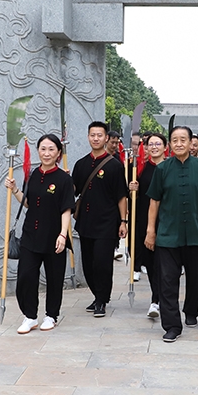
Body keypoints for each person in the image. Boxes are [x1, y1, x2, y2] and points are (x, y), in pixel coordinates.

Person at [145, 126, 198, 343]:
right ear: (170, 144)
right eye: (175, 140)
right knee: (167, 280)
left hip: (196, 233)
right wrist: (151, 231)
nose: (179, 144)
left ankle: (191, 310)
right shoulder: (162, 169)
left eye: (183, 140)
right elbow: (154, 202)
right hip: (168, 234)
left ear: (190, 143)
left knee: (196, 278)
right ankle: (171, 325)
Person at [4, 134, 75, 334]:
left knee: (54, 278)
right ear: (38, 151)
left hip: (54, 237)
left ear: (58, 153)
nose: (46, 153)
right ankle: (30, 316)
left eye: (51, 149)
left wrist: (62, 235)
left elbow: (66, 209)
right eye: (43, 149)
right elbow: (27, 203)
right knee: (26, 276)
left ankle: (51, 315)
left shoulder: (64, 179)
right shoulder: (33, 174)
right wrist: (16, 189)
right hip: (30, 235)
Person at [71, 121, 129, 318]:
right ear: (88, 137)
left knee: (102, 263)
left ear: (106, 138)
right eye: (92, 135)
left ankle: (102, 299)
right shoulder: (81, 164)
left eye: (99, 135)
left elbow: (122, 196)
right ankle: (97, 295)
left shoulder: (114, 165)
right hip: (85, 222)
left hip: (107, 222)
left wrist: (123, 221)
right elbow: (73, 190)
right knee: (87, 264)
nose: (96, 138)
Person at [128, 133, 167, 318]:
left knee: (166, 264)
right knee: (151, 263)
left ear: (165, 147)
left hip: (167, 222)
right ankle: (155, 299)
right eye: (150, 144)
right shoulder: (141, 168)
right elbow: (136, 199)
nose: (154, 147)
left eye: (158, 143)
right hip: (146, 222)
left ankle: (165, 299)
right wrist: (133, 189)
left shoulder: (170, 168)